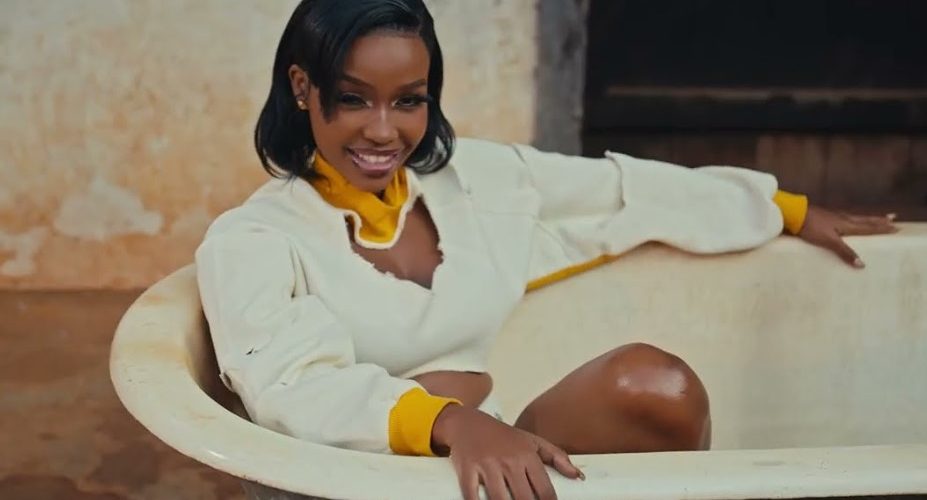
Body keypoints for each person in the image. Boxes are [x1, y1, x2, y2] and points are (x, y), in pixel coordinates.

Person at [194, 1, 898, 499]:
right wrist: (448, 423)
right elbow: (291, 387)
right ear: (302, 88)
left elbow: (616, 190)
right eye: (354, 99)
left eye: (408, 100)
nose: (385, 130)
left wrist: (780, 209)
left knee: (657, 385)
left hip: (505, 440)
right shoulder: (255, 239)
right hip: (374, 479)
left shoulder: (474, 181)